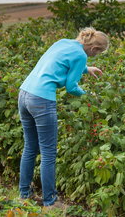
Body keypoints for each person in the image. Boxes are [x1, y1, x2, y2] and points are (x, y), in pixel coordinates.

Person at [18, 27, 109, 207]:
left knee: (30, 147)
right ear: (94, 49)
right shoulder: (82, 55)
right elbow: (71, 87)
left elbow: (59, 62)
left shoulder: (63, 42)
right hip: (42, 99)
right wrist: (90, 95)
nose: (94, 57)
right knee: (48, 153)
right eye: (97, 54)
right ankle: (50, 202)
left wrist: (85, 69)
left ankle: (24, 194)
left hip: (24, 93)